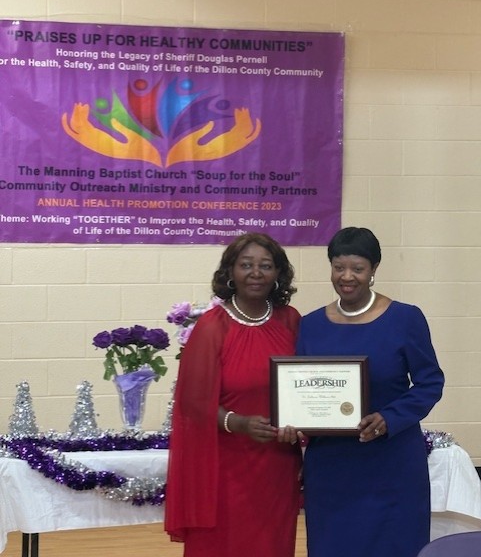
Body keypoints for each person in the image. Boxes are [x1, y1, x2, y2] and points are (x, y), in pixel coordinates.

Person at [296, 227, 444, 557]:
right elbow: (301, 388)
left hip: (391, 463)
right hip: (331, 468)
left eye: (358, 268)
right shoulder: (311, 325)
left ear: (374, 269)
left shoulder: (405, 318)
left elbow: (430, 382)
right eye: (338, 267)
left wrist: (390, 418)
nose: (347, 277)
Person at [165, 232, 302, 557]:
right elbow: (193, 405)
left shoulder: (290, 321)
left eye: (265, 265)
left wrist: (302, 425)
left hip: (277, 466)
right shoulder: (213, 327)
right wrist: (238, 423)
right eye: (246, 265)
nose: (256, 273)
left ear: (278, 273)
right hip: (226, 467)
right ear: (230, 272)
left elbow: (305, 385)